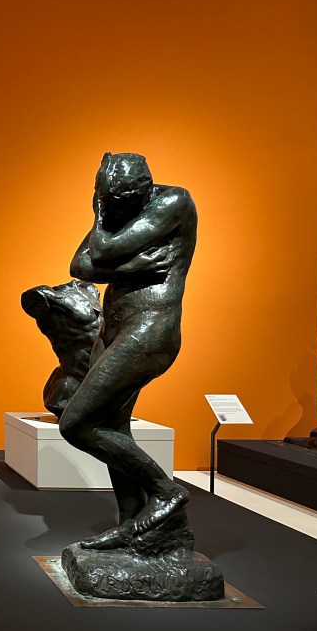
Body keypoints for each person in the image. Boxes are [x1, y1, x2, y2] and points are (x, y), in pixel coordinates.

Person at [58, 153, 197, 549]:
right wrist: (133, 268)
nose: (113, 209)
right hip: (115, 329)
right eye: (106, 201)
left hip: (149, 330)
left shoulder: (173, 202)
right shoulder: (118, 209)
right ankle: (132, 525)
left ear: (143, 191)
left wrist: (100, 214)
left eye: (119, 203)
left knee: (76, 424)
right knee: (113, 426)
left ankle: (166, 491)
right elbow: (79, 266)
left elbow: (100, 253)